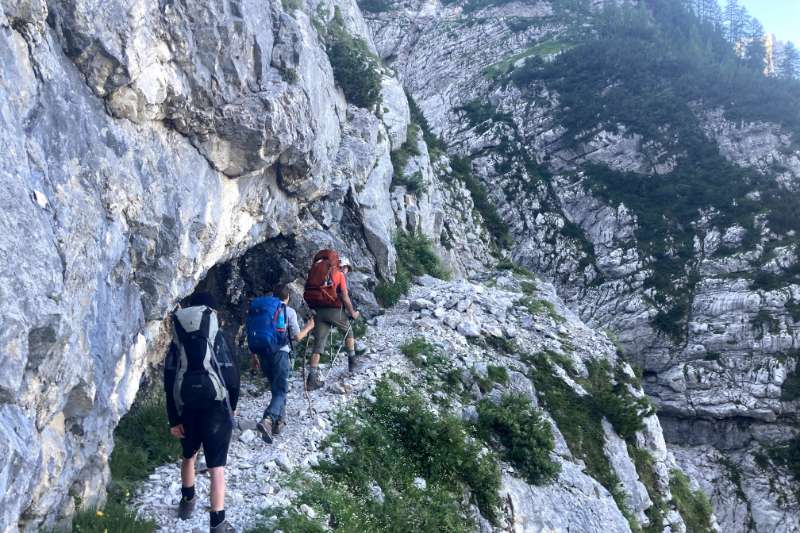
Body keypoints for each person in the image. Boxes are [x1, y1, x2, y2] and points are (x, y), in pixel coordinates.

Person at [164, 292, 240, 533]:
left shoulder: (180, 338)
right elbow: (232, 375)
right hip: (216, 405)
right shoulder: (216, 335)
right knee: (217, 466)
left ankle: (187, 502)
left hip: (187, 404)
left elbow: (169, 379)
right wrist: (232, 407)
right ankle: (217, 523)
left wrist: (174, 419)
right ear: (211, 311)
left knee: (189, 454)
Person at [252, 284, 314, 443]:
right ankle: (268, 419)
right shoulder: (288, 311)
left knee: (277, 389)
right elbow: (297, 337)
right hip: (281, 353)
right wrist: (309, 327)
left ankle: (279, 422)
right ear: (288, 297)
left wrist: (254, 356)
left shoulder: (262, 311)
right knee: (281, 389)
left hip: (263, 353)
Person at [306, 254, 360, 391]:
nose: (347, 272)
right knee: (348, 331)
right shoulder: (339, 275)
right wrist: (352, 313)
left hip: (318, 310)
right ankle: (353, 363)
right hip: (334, 310)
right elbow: (345, 297)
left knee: (318, 345)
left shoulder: (320, 274)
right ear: (344, 266)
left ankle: (311, 379)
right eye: (347, 268)